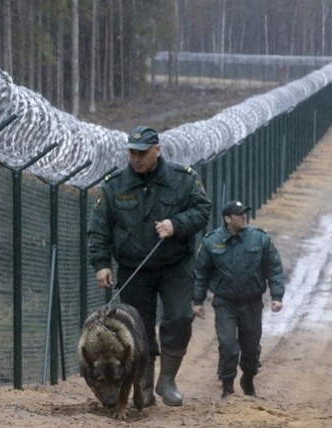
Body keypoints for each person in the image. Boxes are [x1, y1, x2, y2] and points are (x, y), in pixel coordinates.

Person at [87, 125, 212, 407]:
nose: (136, 158)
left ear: (157, 150)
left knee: (180, 318)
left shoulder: (183, 179)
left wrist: (176, 224)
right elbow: (99, 228)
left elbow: (203, 210)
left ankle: (167, 379)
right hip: (134, 268)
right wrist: (101, 264)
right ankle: (142, 386)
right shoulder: (114, 185)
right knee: (137, 330)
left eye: (142, 153)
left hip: (174, 265)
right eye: (132, 152)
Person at [192, 200, 285, 398]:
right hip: (225, 302)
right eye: (239, 214)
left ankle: (248, 378)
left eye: (245, 213)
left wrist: (277, 296)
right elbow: (201, 272)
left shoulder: (259, 239)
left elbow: (274, 267)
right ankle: (227, 387)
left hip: (251, 302)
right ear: (227, 218)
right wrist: (198, 301)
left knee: (251, 347)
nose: (244, 217)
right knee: (227, 344)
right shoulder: (211, 241)